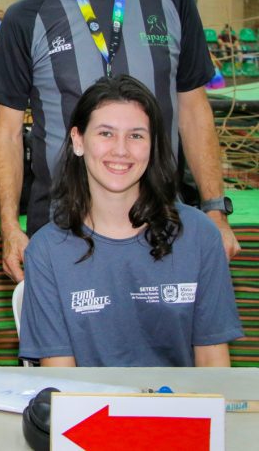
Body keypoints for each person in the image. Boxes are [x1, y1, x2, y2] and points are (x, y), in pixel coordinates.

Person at [0, 0, 239, 283]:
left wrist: (214, 208)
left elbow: (195, 113)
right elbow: (6, 132)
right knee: (66, 352)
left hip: (163, 223)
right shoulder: (24, 17)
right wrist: (10, 228)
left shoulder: (172, 1)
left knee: (169, 348)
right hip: (61, 228)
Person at [19, 75, 241, 367]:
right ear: (78, 140)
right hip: (89, 411)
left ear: (152, 145)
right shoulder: (47, 251)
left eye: (136, 135)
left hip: (179, 410)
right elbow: (62, 384)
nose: (121, 150)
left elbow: (213, 364)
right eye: (106, 133)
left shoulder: (200, 236)